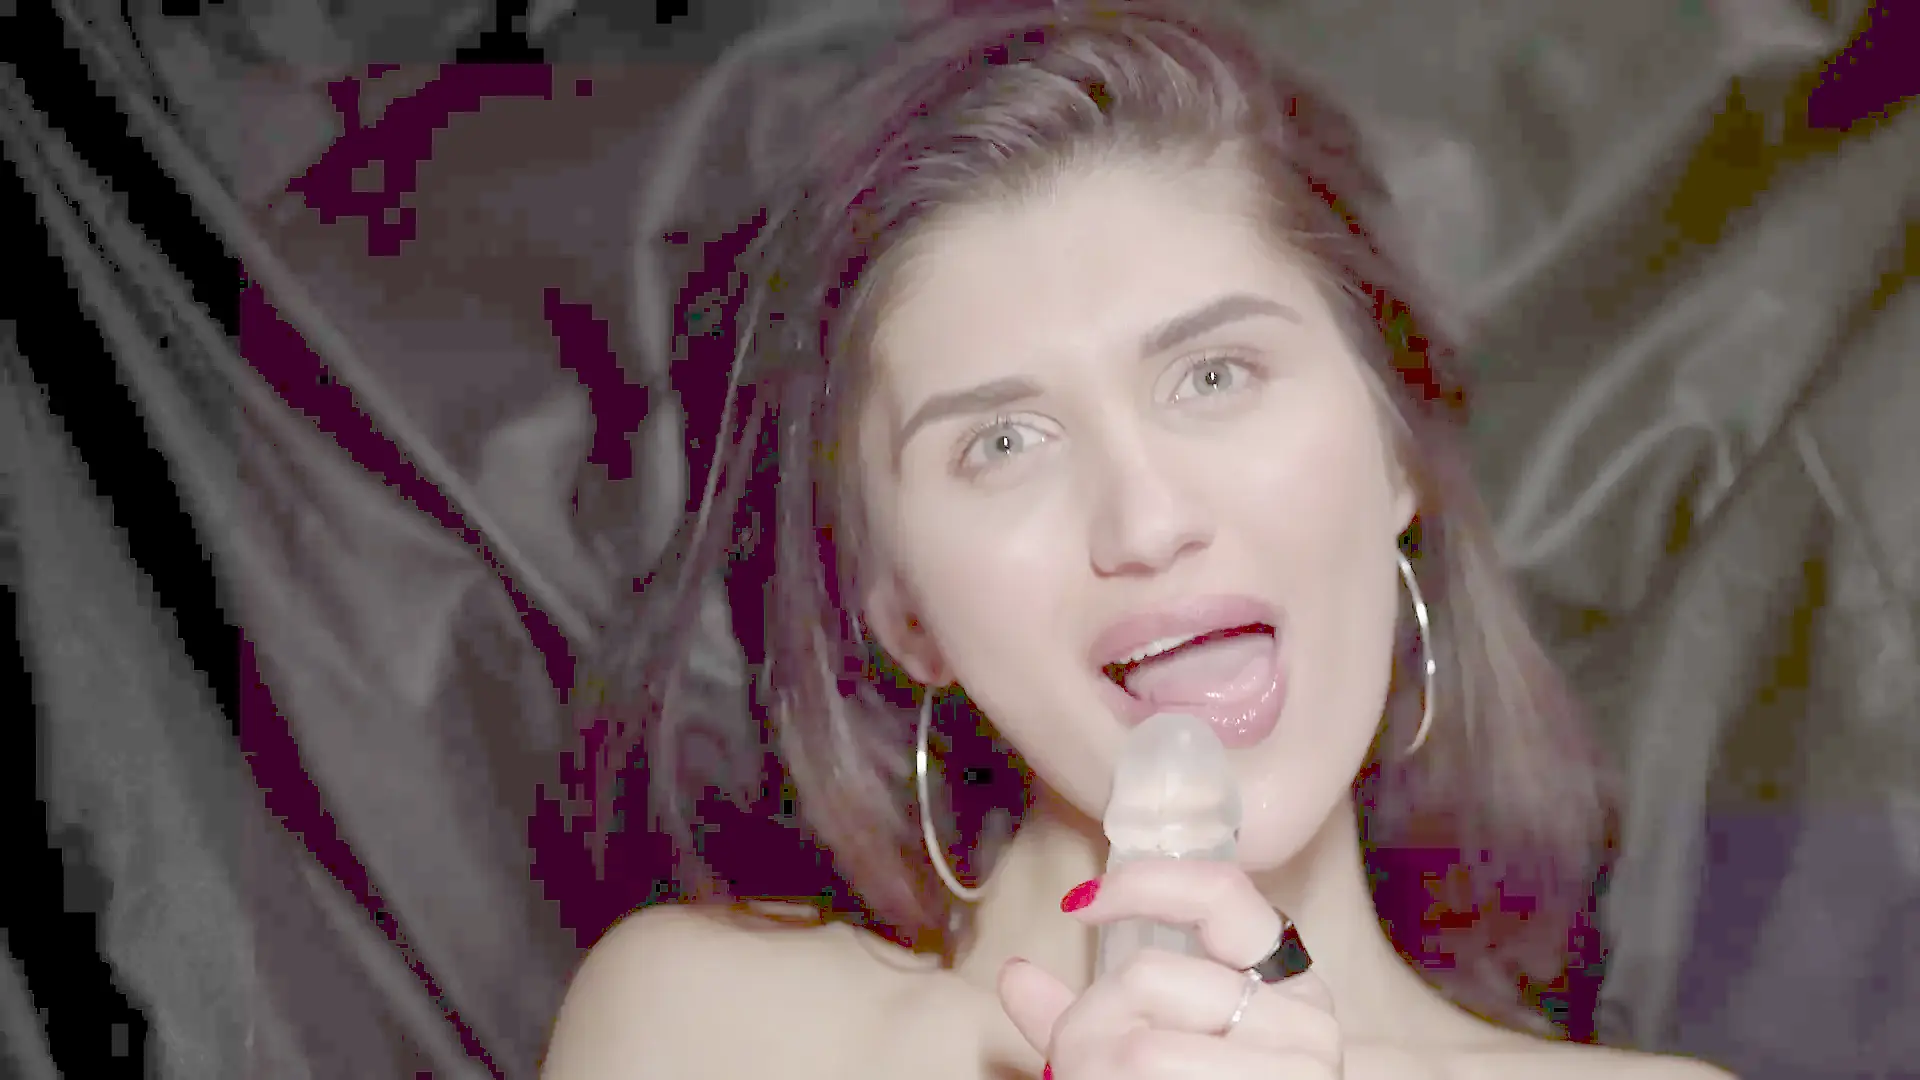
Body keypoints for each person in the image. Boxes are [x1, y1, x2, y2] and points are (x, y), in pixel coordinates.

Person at [542, 3, 1736, 1077]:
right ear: (903, 611)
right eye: (1004, 442)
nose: (1147, 523)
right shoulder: (712, 1028)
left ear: (1397, 452)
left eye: (1214, 375)